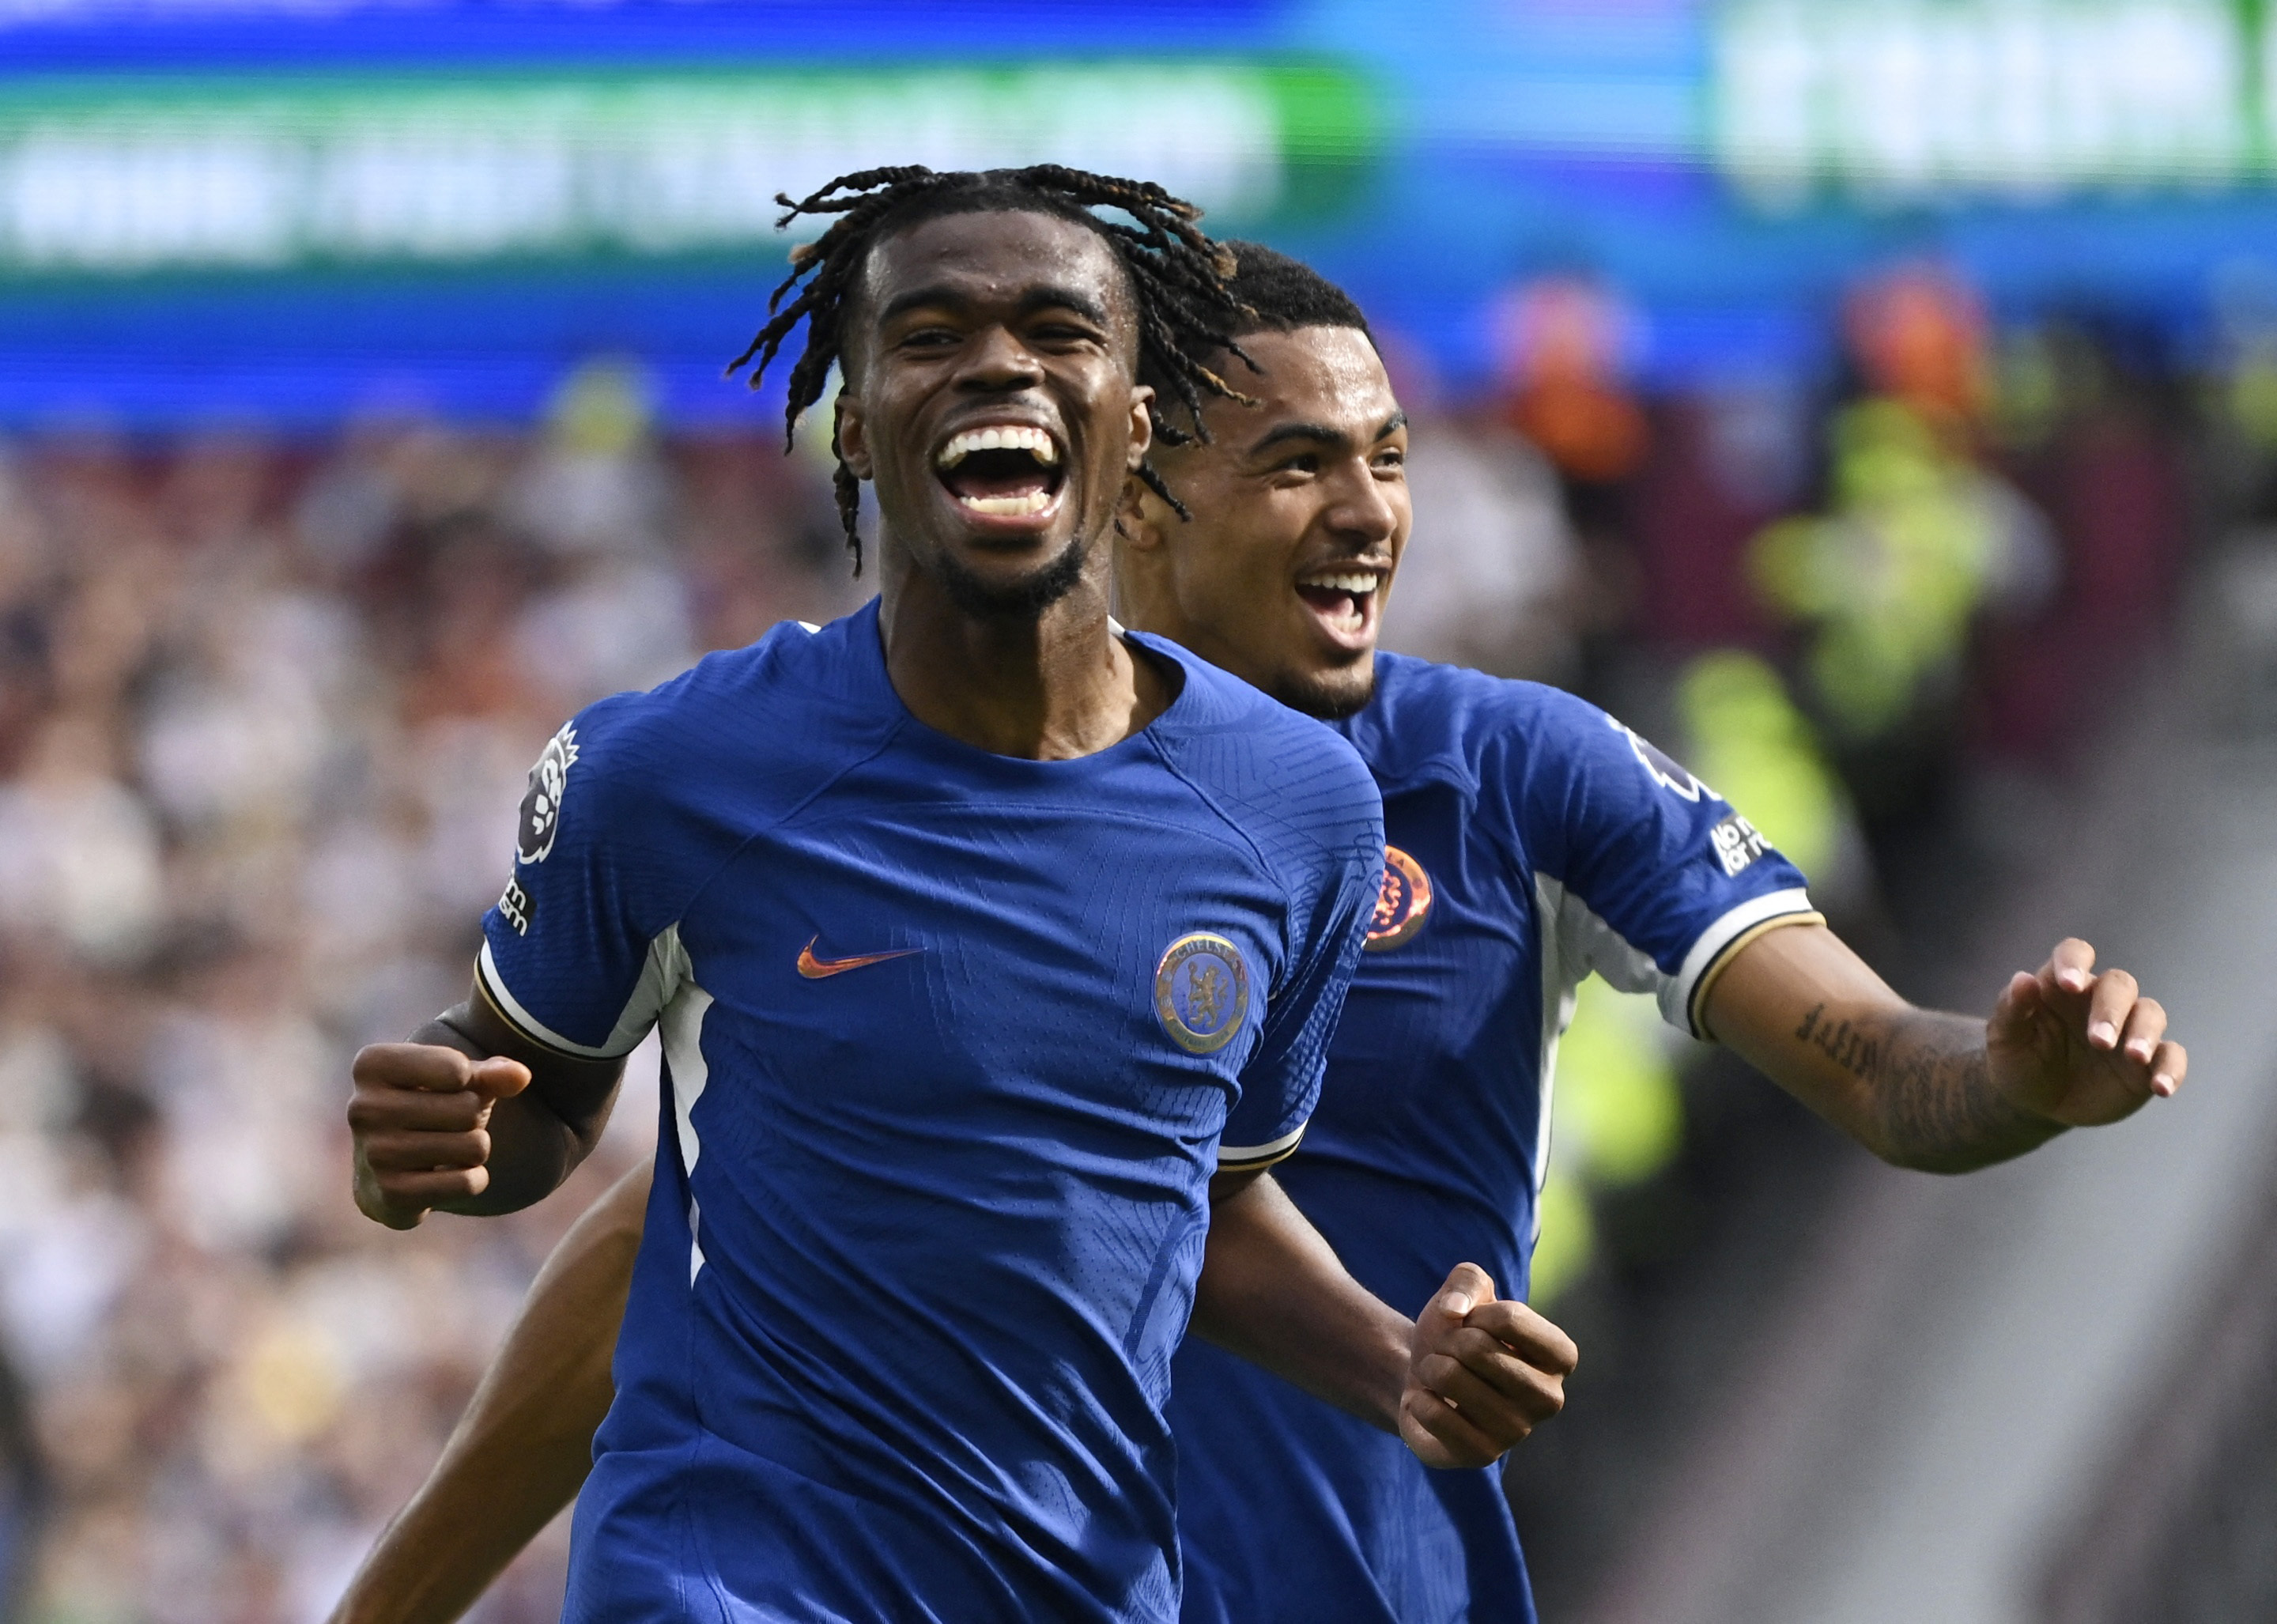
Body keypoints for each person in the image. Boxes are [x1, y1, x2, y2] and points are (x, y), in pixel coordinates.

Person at [334, 243, 2186, 1624]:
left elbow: (1889, 1073)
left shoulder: (1508, 771)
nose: (1371, 508)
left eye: (1387, 455)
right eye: (1301, 461)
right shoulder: (888, 814)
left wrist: (2016, 1071)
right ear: (1133, 493)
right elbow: (684, 1253)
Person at [340, 172, 1576, 1624]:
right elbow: (531, 1094)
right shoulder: (669, 770)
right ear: (858, 421)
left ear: (1133, 424)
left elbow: (1201, 1196)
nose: (999, 364)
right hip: (727, 1580)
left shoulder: (1298, 813)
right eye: (929, 335)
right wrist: (433, 1144)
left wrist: (1396, 1362)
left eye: (1060, 329)